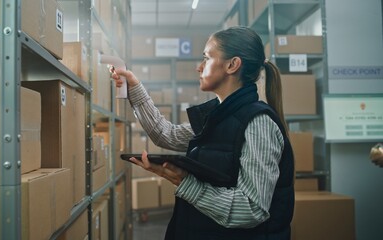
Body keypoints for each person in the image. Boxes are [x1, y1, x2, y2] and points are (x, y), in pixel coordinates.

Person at [112, 26, 295, 240]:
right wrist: (134, 86)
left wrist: (186, 183)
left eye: (206, 58)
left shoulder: (258, 123)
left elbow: (251, 208)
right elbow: (166, 134)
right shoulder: (219, 118)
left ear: (232, 65)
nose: (199, 68)